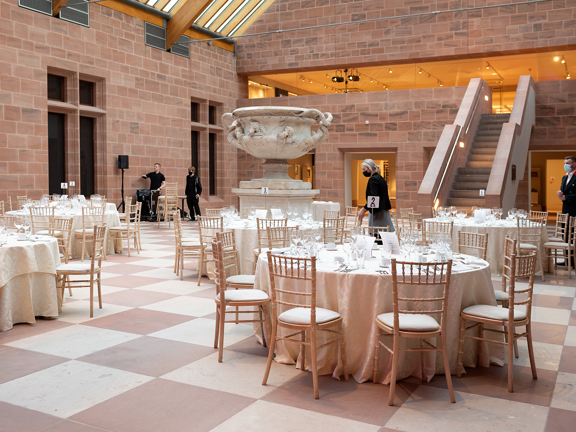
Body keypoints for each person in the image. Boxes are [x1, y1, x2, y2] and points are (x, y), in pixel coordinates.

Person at [358, 158, 395, 232]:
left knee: (377, 236)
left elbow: (373, 198)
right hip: (384, 211)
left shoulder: (373, 179)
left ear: (370, 168)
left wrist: (363, 209)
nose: (363, 171)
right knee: (386, 234)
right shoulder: (380, 178)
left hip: (378, 213)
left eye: (364, 169)